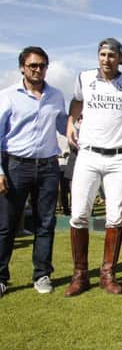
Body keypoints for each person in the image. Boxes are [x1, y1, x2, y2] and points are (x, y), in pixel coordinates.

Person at [64, 38, 122, 297]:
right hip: (88, 155)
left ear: (121, 58)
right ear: (98, 56)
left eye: (112, 55)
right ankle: (80, 275)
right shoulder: (84, 78)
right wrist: (70, 122)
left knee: (116, 217)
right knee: (78, 215)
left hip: (119, 157)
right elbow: (76, 101)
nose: (106, 59)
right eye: (103, 54)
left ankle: (108, 275)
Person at [0, 46, 67, 297]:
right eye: (33, 65)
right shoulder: (7, 96)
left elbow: (63, 126)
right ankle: (1, 277)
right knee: (6, 225)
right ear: (22, 68)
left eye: (42, 65)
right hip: (15, 165)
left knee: (45, 223)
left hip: (48, 166)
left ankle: (42, 275)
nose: (38, 70)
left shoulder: (57, 95)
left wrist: (82, 135)